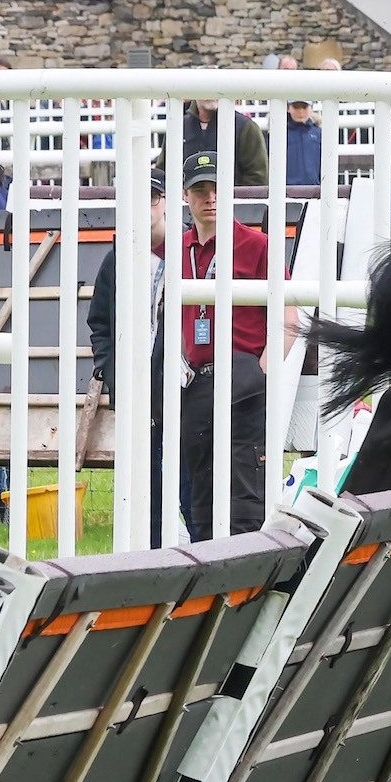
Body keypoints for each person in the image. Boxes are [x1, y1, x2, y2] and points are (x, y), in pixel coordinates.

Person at [175, 152, 293, 538]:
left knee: (244, 489)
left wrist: (259, 372)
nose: (209, 199)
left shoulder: (258, 245)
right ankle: (207, 579)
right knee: (201, 492)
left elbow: (289, 320)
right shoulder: (176, 251)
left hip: (243, 376)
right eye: (200, 190)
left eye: (217, 190)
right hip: (196, 380)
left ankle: (247, 580)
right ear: (185, 195)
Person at [87, 169, 179, 546]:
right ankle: (149, 546)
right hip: (136, 386)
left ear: (167, 203)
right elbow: (99, 322)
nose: (146, 206)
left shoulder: (186, 252)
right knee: (142, 477)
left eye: (152, 196)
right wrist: (111, 372)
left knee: (186, 475)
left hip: (181, 383)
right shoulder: (117, 259)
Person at [281, 99, 322, 186]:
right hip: (287, 191)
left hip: (315, 190)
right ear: (288, 108)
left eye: (304, 107)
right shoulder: (278, 134)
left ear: (311, 108)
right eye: (296, 107)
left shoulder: (319, 133)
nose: (300, 111)